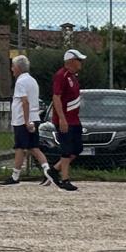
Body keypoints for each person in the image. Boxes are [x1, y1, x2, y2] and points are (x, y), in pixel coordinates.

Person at [0, 55, 53, 186]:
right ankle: (48, 171)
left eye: (13, 67)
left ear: (17, 68)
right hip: (34, 118)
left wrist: (26, 121)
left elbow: (25, 102)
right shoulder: (33, 81)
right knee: (34, 147)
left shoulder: (20, 82)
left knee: (19, 148)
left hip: (22, 120)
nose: (12, 69)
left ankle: (15, 176)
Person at [50, 49, 86, 192]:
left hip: (74, 119)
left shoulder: (73, 76)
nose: (81, 63)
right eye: (79, 60)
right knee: (66, 150)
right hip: (65, 120)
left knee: (78, 148)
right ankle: (65, 179)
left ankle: (54, 170)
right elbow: (56, 97)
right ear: (71, 61)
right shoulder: (61, 76)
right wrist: (62, 119)